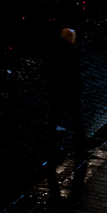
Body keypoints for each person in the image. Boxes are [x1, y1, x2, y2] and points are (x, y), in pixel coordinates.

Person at [45, 26, 85, 161]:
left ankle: (50, 141)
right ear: (70, 38)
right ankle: (80, 141)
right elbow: (75, 73)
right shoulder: (72, 52)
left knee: (54, 115)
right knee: (76, 116)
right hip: (69, 90)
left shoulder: (52, 51)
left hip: (56, 89)